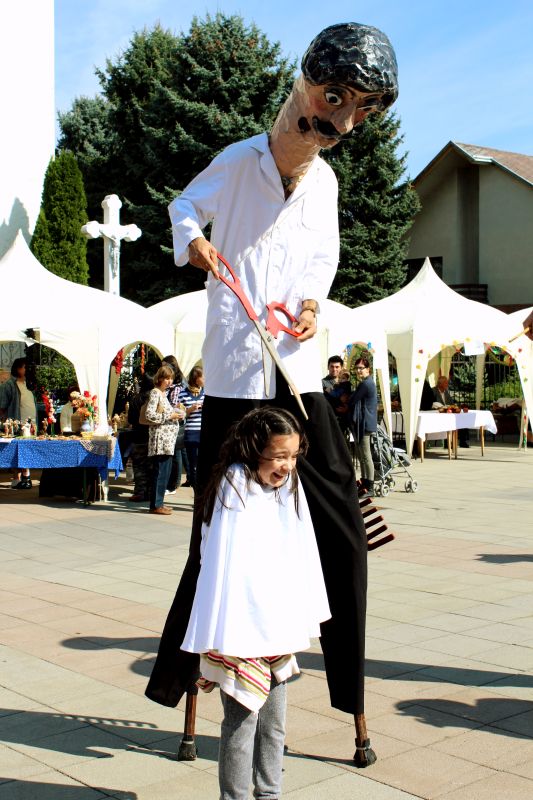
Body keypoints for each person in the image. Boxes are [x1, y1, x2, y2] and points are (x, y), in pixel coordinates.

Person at [146, 22, 399, 755]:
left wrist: (314, 305)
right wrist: (195, 241)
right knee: (214, 536)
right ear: (308, 87)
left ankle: (350, 697)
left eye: (363, 108)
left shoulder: (325, 182)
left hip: (294, 369)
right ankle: (180, 678)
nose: (345, 119)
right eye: (337, 98)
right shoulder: (239, 161)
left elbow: (321, 261)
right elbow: (183, 207)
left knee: (345, 533)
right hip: (233, 374)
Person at [182, 407, 330, 799]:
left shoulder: (289, 483)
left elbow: (299, 546)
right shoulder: (234, 484)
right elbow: (224, 562)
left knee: (275, 721)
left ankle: (270, 793)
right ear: (253, 450)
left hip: (276, 625)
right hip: (242, 627)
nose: (287, 465)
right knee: (242, 721)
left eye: (293, 456)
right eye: (279, 456)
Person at [146, 365, 182, 515]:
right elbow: (149, 414)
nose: (169, 381)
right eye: (166, 378)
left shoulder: (163, 394)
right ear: (160, 378)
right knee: (160, 472)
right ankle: (156, 505)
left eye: (171, 378)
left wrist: (177, 413)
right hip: (161, 440)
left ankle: (159, 502)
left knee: (164, 472)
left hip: (167, 440)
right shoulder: (155, 393)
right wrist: (170, 416)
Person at [0, 358, 37, 489]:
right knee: (18, 450)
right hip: (17, 422)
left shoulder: (29, 384)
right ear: (18, 369)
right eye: (25, 367)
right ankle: (22, 477)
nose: (27, 370)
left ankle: (20, 478)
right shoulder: (8, 385)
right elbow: (2, 406)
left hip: (31, 423)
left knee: (26, 449)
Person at [349, 358, 378, 496]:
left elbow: (352, 400)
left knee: (365, 456)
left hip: (365, 424)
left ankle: (370, 486)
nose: (359, 370)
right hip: (364, 423)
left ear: (368, 369)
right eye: (357, 368)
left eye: (361, 368)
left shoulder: (366, 384)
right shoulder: (367, 382)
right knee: (362, 456)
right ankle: (365, 483)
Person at [162, 355, 188, 494]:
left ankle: (173, 484)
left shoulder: (177, 386)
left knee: (177, 453)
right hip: (171, 422)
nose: (162, 368)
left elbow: (175, 405)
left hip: (176, 422)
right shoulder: (171, 386)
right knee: (177, 453)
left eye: (164, 365)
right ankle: (174, 482)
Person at [127, 374, 154, 502]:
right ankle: (150, 492)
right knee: (151, 465)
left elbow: (130, 419)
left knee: (138, 465)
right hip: (151, 435)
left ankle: (139, 492)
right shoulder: (154, 398)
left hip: (138, 435)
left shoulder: (135, 399)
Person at [178, 366, 205, 490]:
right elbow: (179, 415)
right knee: (193, 465)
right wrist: (190, 409)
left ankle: (203, 491)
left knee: (204, 465)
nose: (205, 379)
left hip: (205, 432)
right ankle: (196, 492)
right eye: (202, 377)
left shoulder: (207, 392)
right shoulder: (183, 393)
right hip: (190, 433)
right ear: (195, 378)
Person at [432, 375, 469, 447]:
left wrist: (458, 408)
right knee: (450, 421)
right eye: (445, 383)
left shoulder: (446, 392)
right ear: (440, 384)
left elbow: (451, 404)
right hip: (438, 415)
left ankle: (462, 441)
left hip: (448, 413)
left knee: (462, 418)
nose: (447, 384)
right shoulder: (433, 391)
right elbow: (433, 404)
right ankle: (448, 443)